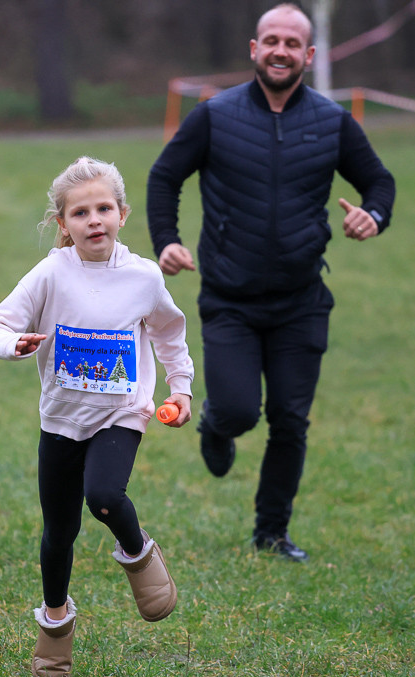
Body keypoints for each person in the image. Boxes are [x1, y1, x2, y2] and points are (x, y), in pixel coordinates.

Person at [147, 3, 395, 563]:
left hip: (301, 300)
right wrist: (166, 240)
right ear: (254, 50)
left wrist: (373, 216)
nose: (281, 50)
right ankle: (216, 425)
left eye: (293, 43)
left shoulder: (332, 121)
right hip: (230, 299)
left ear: (308, 55)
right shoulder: (216, 115)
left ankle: (271, 532)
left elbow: (379, 181)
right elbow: (165, 175)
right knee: (239, 411)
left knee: (290, 418)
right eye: (271, 40)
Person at [0, 157, 194, 677]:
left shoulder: (143, 276)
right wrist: (15, 344)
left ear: (121, 213)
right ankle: (55, 626)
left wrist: (180, 386)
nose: (93, 220)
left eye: (103, 209)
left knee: (103, 495)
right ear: (63, 224)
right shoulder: (51, 272)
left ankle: (138, 552)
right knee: (59, 532)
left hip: (122, 412)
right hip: (61, 420)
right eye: (80, 212)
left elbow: (168, 330)